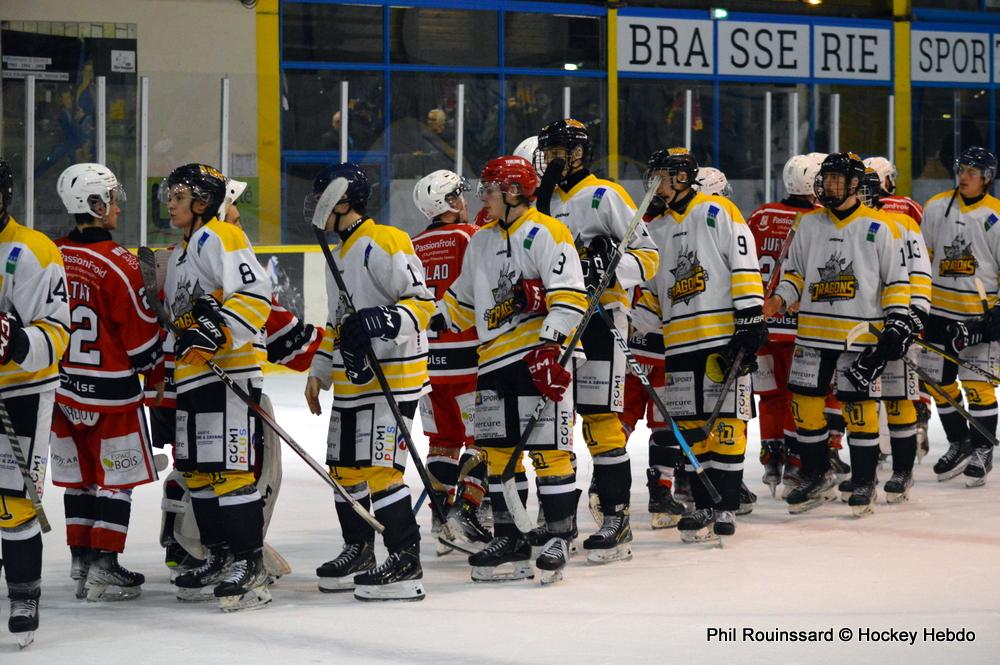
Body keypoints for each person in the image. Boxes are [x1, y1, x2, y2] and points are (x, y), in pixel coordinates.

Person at [440, 155, 587, 584]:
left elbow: (570, 297)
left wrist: (551, 346)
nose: (483, 197)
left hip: (537, 357)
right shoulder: (480, 242)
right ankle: (511, 538)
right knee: (499, 455)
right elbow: (461, 302)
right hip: (492, 361)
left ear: (514, 191)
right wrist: (425, 320)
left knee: (549, 451)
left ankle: (557, 536)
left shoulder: (547, 232)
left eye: (490, 189)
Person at [305, 163, 433, 601]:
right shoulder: (336, 253)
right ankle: (358, 550)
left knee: (381, 470)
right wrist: (320, 371)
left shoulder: (385, 240)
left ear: (343, 200)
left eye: (322, 197)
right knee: (344, 470)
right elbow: (336, 322)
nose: (317, 206)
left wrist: (382, 319)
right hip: (351, 381)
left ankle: (405, 560)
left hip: (393, 378)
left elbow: (422, 304)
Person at [535, 119, 659, 562]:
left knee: (600, 419)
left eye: (561, 150)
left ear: (580, 153)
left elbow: (649, 256)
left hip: (601, 317)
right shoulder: (541, 200)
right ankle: (556, 519)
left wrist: (612, 263)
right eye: (549, 150)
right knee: (552, 421)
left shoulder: (605, 195)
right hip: (552, 322)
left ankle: (615, 517)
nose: (554, 157)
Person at [765, 153, 913, 516]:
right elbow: (795, 274)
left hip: (858, 336)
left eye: (835, 179)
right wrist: (780, 299)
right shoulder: (807, 223)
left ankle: (863, 481)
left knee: (859, 410)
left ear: (854, 184)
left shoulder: (881, 226)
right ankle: (816, 476)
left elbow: (896, 282)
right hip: (812, 335)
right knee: (804, 407)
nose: (827, 185)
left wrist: (897, 321)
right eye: (825, 178)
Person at [633, 148, 765, 541]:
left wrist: (750, 317)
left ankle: (725, 506)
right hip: (678, 344)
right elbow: (653, 296)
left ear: (682, 177)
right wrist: (626, 319)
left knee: (726, 425)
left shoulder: (717, 211)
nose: (655, 184)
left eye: (661, 176)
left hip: (721, 338)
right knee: (691, 429)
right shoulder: (655, 229)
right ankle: (705, 504)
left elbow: (743, 263)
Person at [157, 163, 272, 611]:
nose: (171, 204)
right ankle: (220, 556)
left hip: (229, 373)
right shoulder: (180, 254)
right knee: (199, 474)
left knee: (229, 472)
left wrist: (219, 332)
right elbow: (184, 325)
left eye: (179, 196)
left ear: (202, 202)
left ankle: (250, 563)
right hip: (193, 377)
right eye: (170, 196)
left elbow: (255, 293)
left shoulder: (220, 236)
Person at [51, 163, 160, 602]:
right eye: (112, 199)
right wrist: (157, 359)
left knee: (79, 479)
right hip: (111, 392)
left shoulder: (51, 254)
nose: (118, 206)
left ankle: (81, 562)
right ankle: (105, 566)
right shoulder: (121, 263)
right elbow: (141, 341)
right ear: (95, 204)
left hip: (61, 390)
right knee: (116, 480)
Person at [0, 157, 71, 645]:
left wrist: (15, 341)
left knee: (13, 502)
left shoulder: (34, 250)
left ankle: (24, 594)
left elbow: (58, 332)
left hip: (22, 390)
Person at [410, 170, 490, 553]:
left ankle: (441, 519)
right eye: (459, 194)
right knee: (482, 437)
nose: (465, 200)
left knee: (442, 443)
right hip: (469, 357)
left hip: (427, 363)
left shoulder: (412, 246)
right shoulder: (470, 236)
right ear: (449, 202)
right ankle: (467, 511)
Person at [747, 153, 828, 498]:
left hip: (763, 325)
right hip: (799, 328)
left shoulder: (762, 215)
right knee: (799, 394)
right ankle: (796, 459)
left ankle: (771, 457)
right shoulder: (818, 218)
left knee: (770, 395)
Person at [920, 146, 1000, 487]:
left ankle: (982, 449)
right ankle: (959, 441)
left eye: (972, 172)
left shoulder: (996, 215)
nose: (964, 176)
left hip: (977, 317)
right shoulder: (936, 207)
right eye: (961, 169)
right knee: (936, 382)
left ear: (987, 178)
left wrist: (996, 316)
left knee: (977, 385)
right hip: (939, 312)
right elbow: (923, 258)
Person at [854, 168, 931, 502]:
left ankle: (902, 472)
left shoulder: (902, 224)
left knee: (898, 401)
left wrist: (913, 319)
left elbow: (920, 275)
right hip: (859, 332)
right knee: (861, 407)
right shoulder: (848, 225)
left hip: (896, 328)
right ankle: (865, 473)